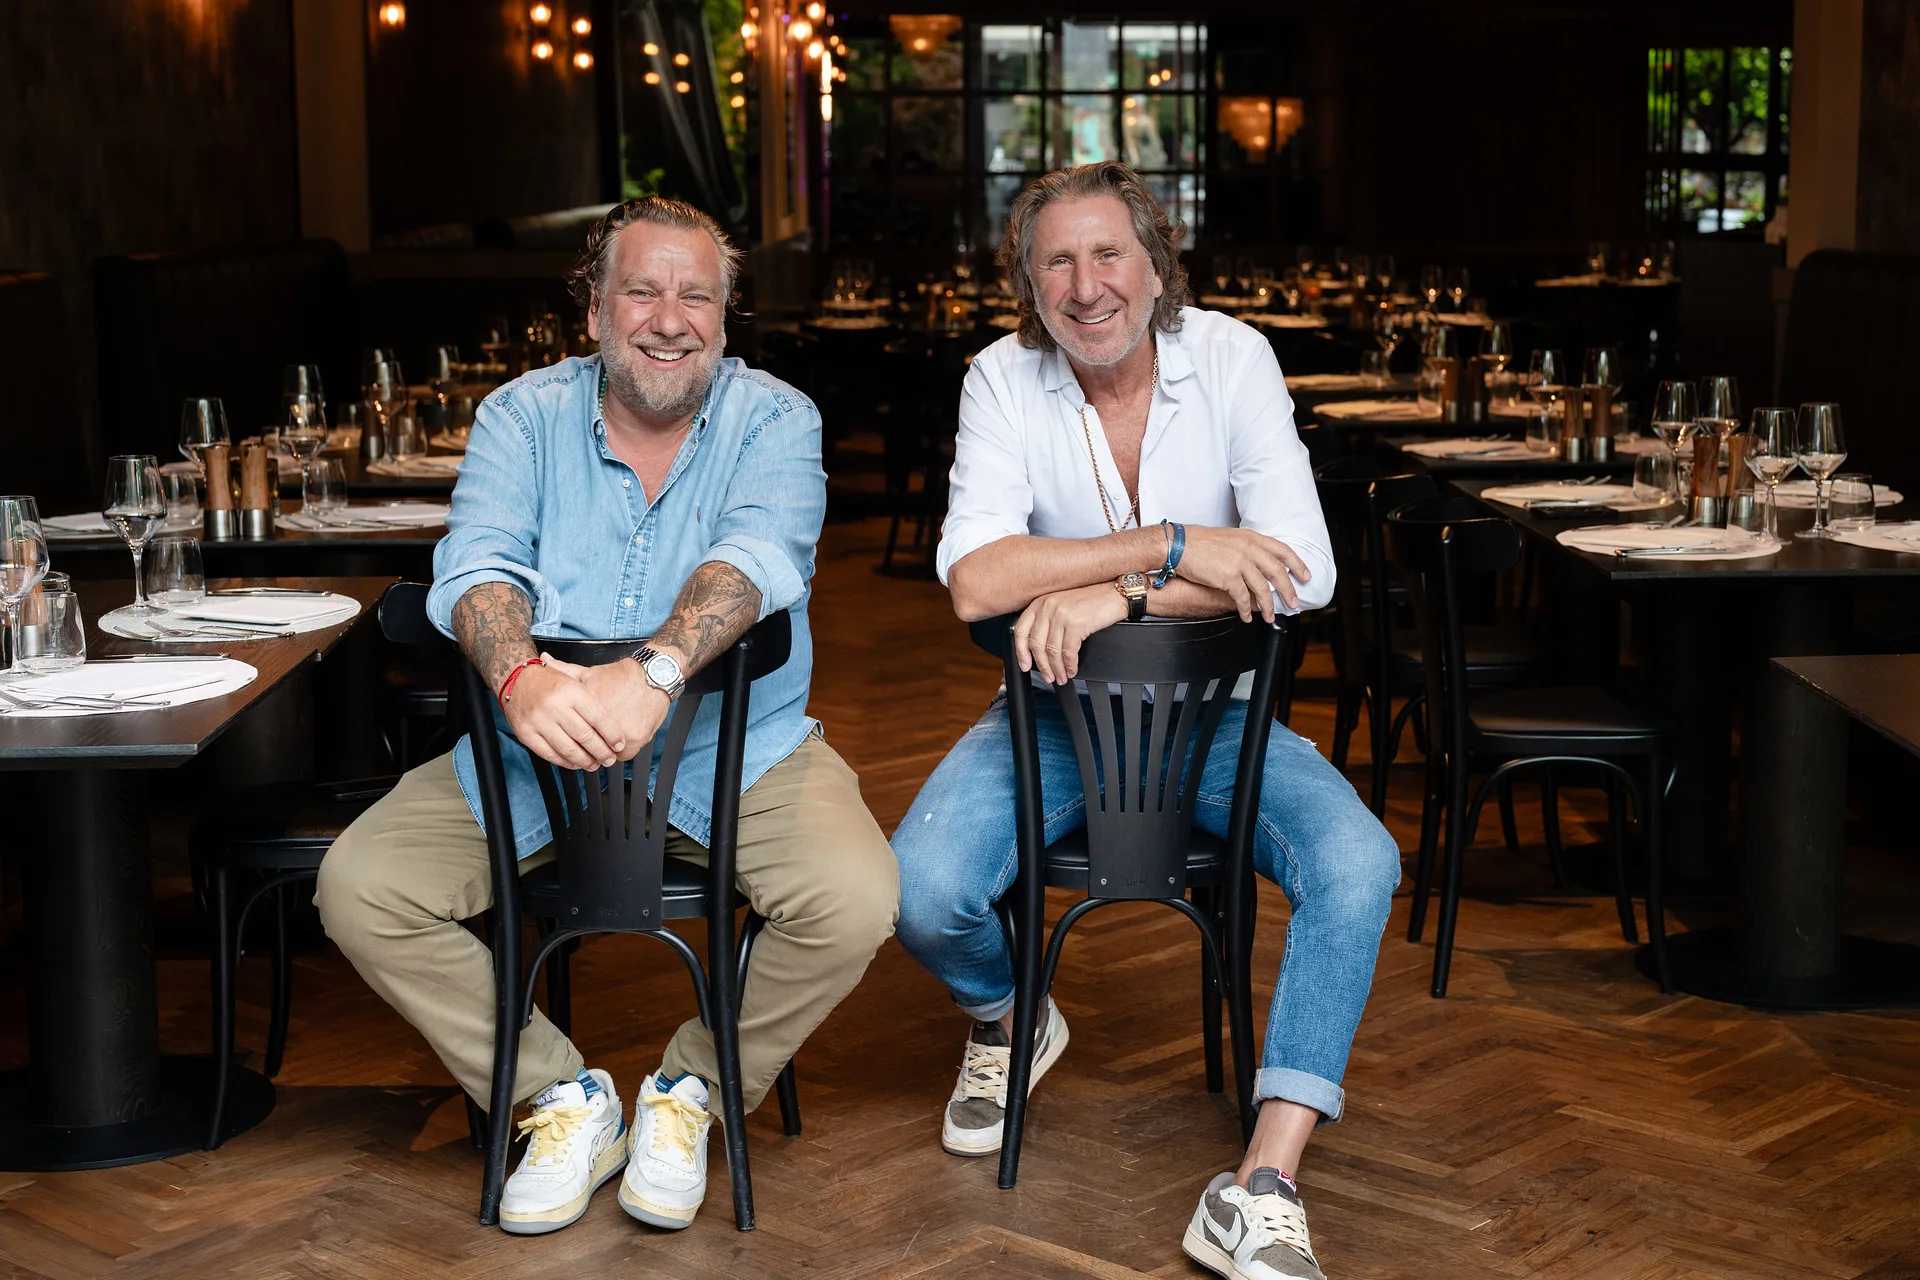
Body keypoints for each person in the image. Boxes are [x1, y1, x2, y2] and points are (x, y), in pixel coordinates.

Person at [317, 197, 898, 1237]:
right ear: (593, 309)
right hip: (534, 760)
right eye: (642, 291)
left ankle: (692, 1089)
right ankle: (560, 1095)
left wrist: (655, 670)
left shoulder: (778, 418)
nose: (669, 319)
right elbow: (476, 563)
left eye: (696, 296)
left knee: (855, 897)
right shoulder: (519, 416)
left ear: (724, 316)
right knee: (361, 887)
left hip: (734, 753)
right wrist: (518, 680)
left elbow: (759, 556)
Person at [889, 162, 1401, 1280]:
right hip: (1053, 717)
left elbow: (1300, 568)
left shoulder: (1234, 358)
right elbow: (976, 583)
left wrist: (1111, 597)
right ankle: (1011, 1017)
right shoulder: (999, 379)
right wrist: (1167, 547)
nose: (1087, 287)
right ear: (1030, 287)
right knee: (918, 892)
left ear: (1157, 266)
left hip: (1221, 724)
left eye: (1108, 254)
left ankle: (1262, 1183)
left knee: (1359, 862)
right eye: (1057, 263)